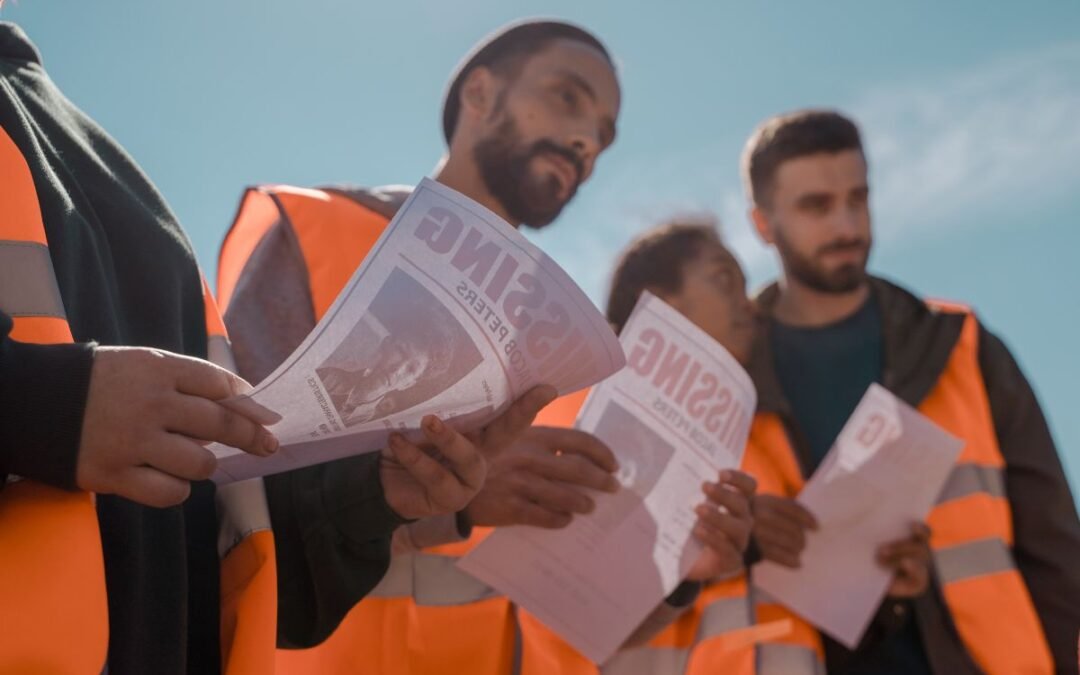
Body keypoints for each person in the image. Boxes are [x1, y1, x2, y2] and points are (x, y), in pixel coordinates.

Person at [0, 20, 550, 674]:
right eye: (568, 98)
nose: (585, 139)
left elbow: (215, 549)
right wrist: (46, 408)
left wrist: (374, 494)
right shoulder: (284, 230)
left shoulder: (113, 180)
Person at [220, 19, 755, 674]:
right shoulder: (313, 232)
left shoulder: (569, 353)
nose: (588, 139)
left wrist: (680, 571)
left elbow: (565, 622)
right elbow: (236, 513)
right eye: (567, 96)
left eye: (604, 135)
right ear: (479, 93)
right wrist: (454, 502)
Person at [741, 109, 1080, 674]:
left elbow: (1056, 549)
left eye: (858, 198)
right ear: (762, 225)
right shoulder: (731, 370)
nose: (847, 225)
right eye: (816, 206)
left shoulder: (961, 344)